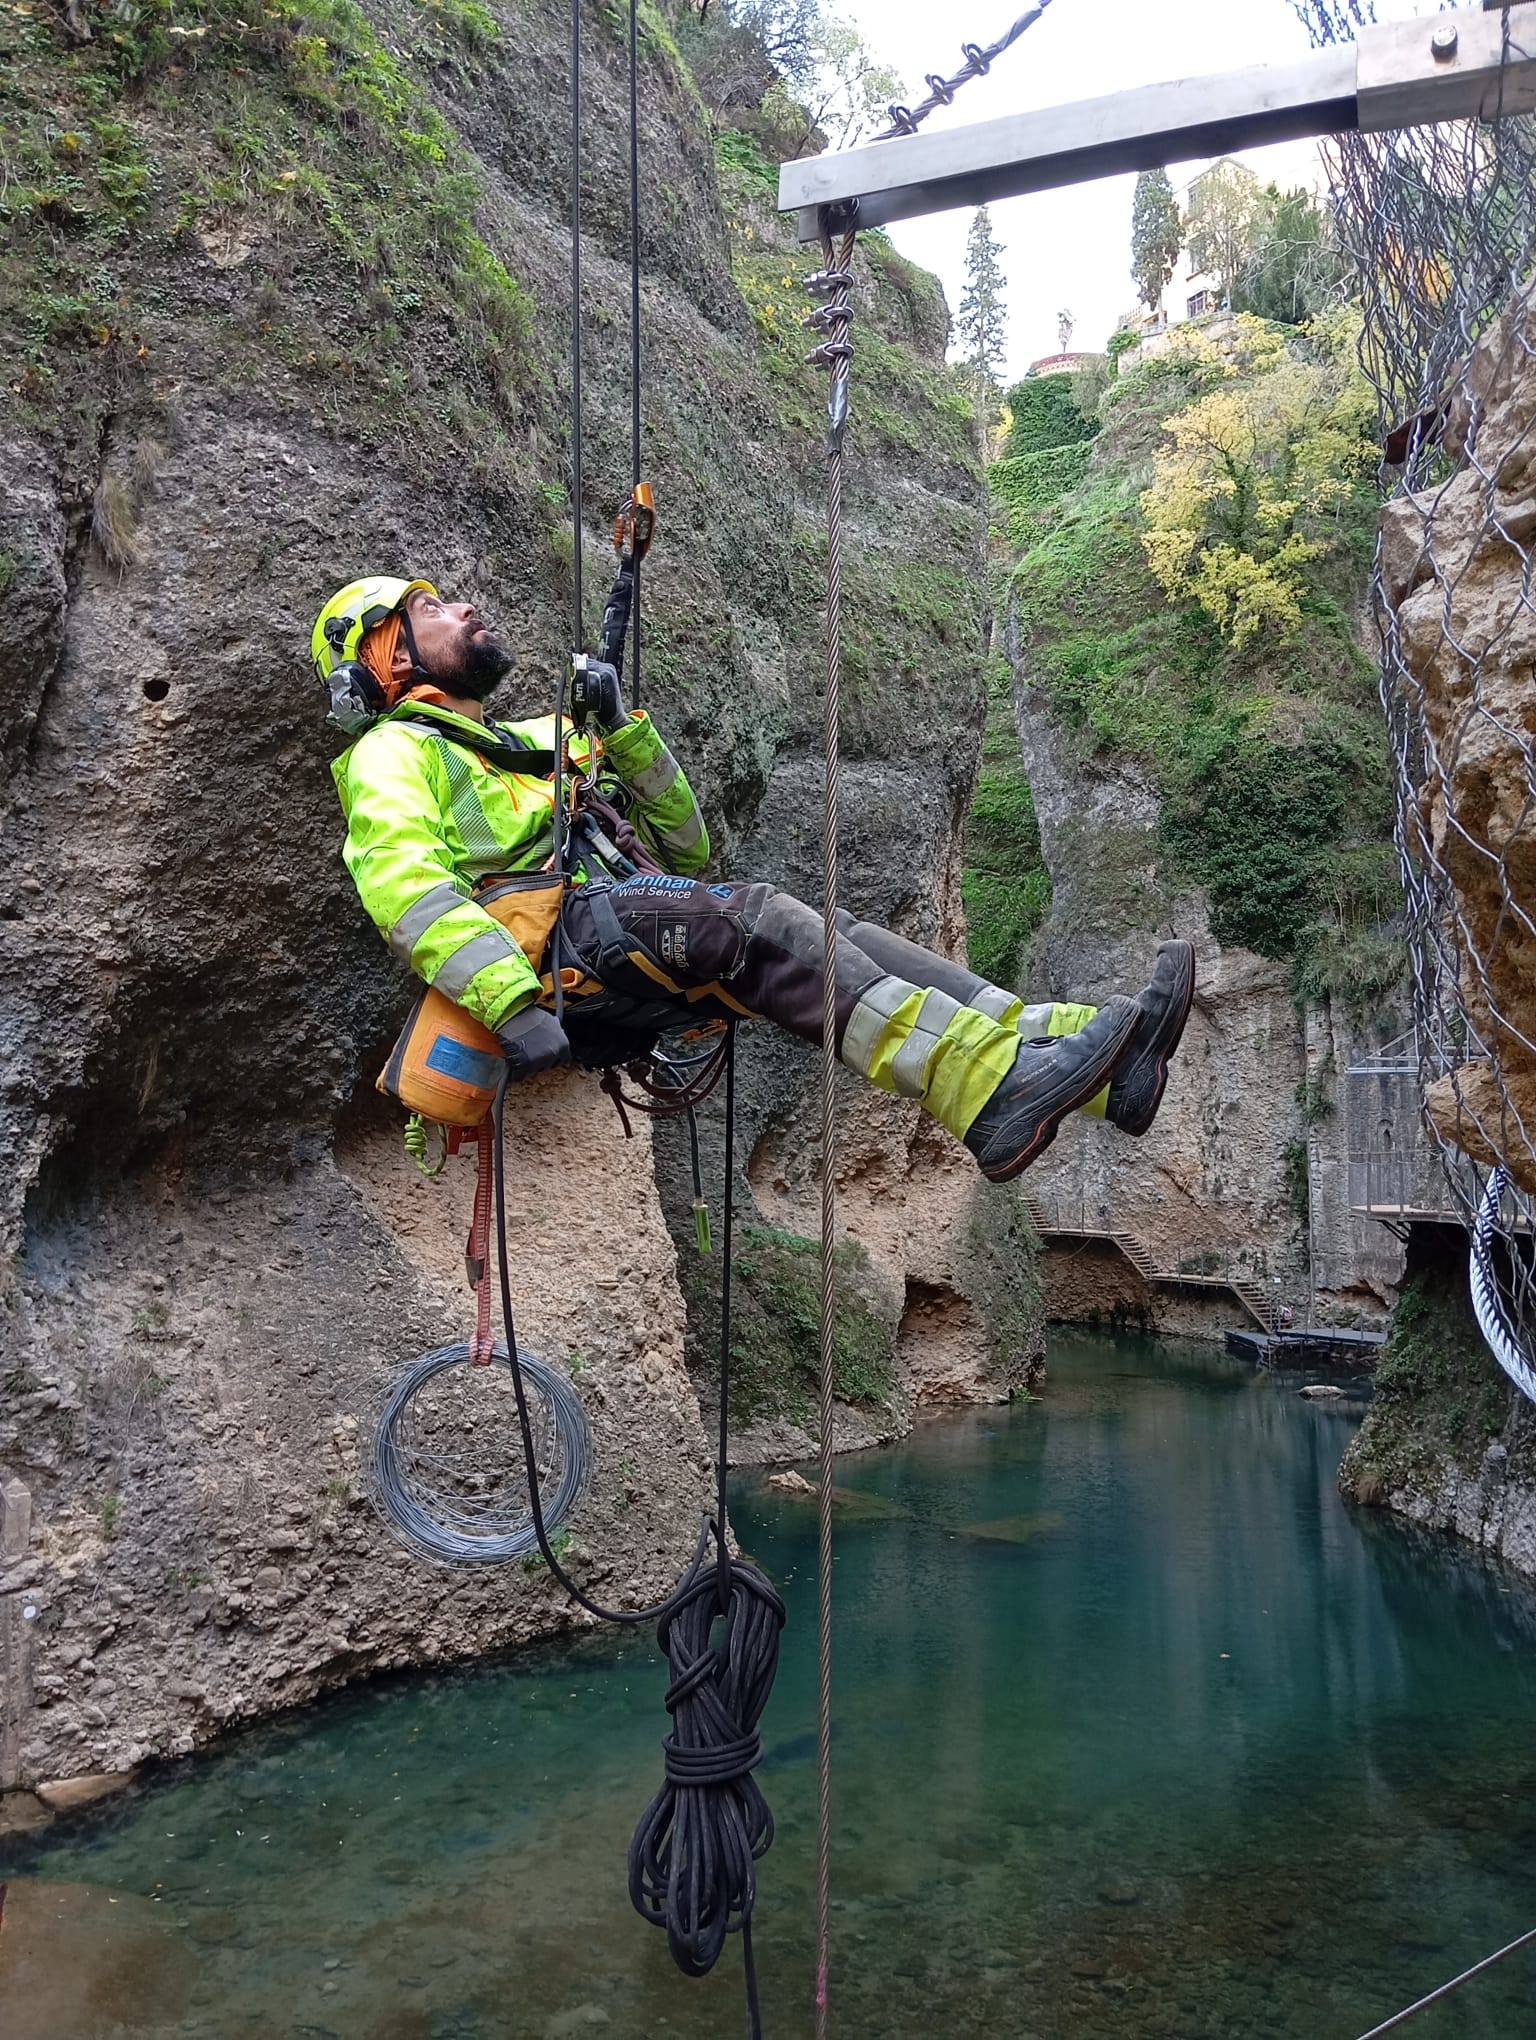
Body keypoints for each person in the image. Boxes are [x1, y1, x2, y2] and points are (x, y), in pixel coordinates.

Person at [314, 575, 1194, 1184]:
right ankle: (991, 1090)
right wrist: (509, 1004)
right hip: (552, 956)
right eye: (427, 609)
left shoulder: (533, 745)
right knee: (758, 921)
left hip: (603, 931)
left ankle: (1089, 1062)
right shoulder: (391, 753)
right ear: (386, 659)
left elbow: (685, 846)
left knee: (845, 938)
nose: (462, 606)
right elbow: (406, 889)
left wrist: (620, 729)